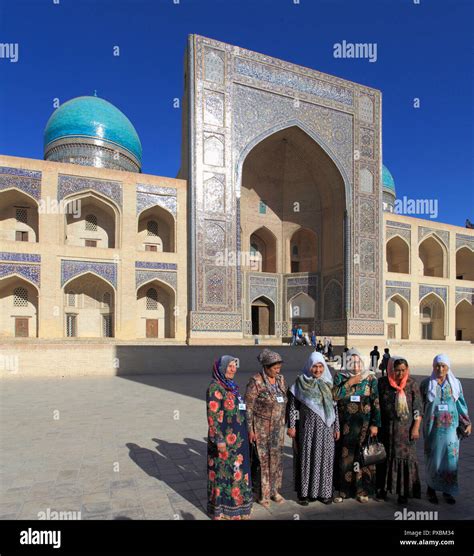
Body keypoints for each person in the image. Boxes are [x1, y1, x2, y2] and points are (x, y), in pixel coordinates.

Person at [287, 352, 339, 505]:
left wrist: (337, 427)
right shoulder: (300, 383)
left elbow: (335, 409)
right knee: (308, 459)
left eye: (320, 366)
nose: (317, 370)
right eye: (314, 366)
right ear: (309, 367)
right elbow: (293, 407)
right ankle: (305, 494)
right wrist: (291, 426)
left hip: (327, 430)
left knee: (325, 460)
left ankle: (324, 493)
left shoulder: (329, 384)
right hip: (308, 429)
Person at [420, 354, 471, 505]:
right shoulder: (426, 384)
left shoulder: (455, 384)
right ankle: (431, 489)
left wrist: (467, 422)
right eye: (437, 366)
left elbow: (461, 404)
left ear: (448, 368)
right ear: (433, 366)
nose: (440, 369)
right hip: (432, 429)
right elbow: (418, 405)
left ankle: (448, 491)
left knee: (450, 460)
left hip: (451, 431)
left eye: (443, 366)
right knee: (433, 459)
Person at [206, 355, 253, 519]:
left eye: (235, 366)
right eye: (230, 366)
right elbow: (212, 416)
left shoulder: (232, 387)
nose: (233, 369)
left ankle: (238, 508)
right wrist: (218, 440)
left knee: (237, 472)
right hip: (224, 441)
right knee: (223, 474)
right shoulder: (215, 388)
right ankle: (223, 511)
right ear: (221, 369)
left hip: (238, 440)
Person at [333, 348, 381, 503]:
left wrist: (375, 424)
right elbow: (334, 396)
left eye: (358, 361)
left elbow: (375, 402)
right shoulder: (340, 376)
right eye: (351, 361)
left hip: (365, 426)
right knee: (346, 457)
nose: (355, 365)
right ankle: (343, 491)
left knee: (362, 457)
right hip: (346, 426)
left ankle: (362, 490)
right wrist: (349, 383)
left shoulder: (370, 378)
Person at [245, 349, 287, 508]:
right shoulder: (255, 381)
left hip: (278, 427)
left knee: (276, 458)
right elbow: (248, 407)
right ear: (266, 367)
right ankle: (263, 494)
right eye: (275, 368)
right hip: (261, 428)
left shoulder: (281, 379)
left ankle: (274, 490)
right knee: (263, 460)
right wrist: (250, 430)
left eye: (279, 367)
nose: (278, 370)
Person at [377, 356, 422, 504]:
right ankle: (382, 489)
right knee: (385, 459)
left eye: (403, 370)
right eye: (397, 371)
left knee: (404, 460)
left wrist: (416, 427)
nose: (400, 374)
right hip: (387, 430)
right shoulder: (383, 383)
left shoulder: (411, 384)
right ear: (391, 370)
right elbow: (377, 405)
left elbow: (417, 409)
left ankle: (403, 493)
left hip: (405, 432)